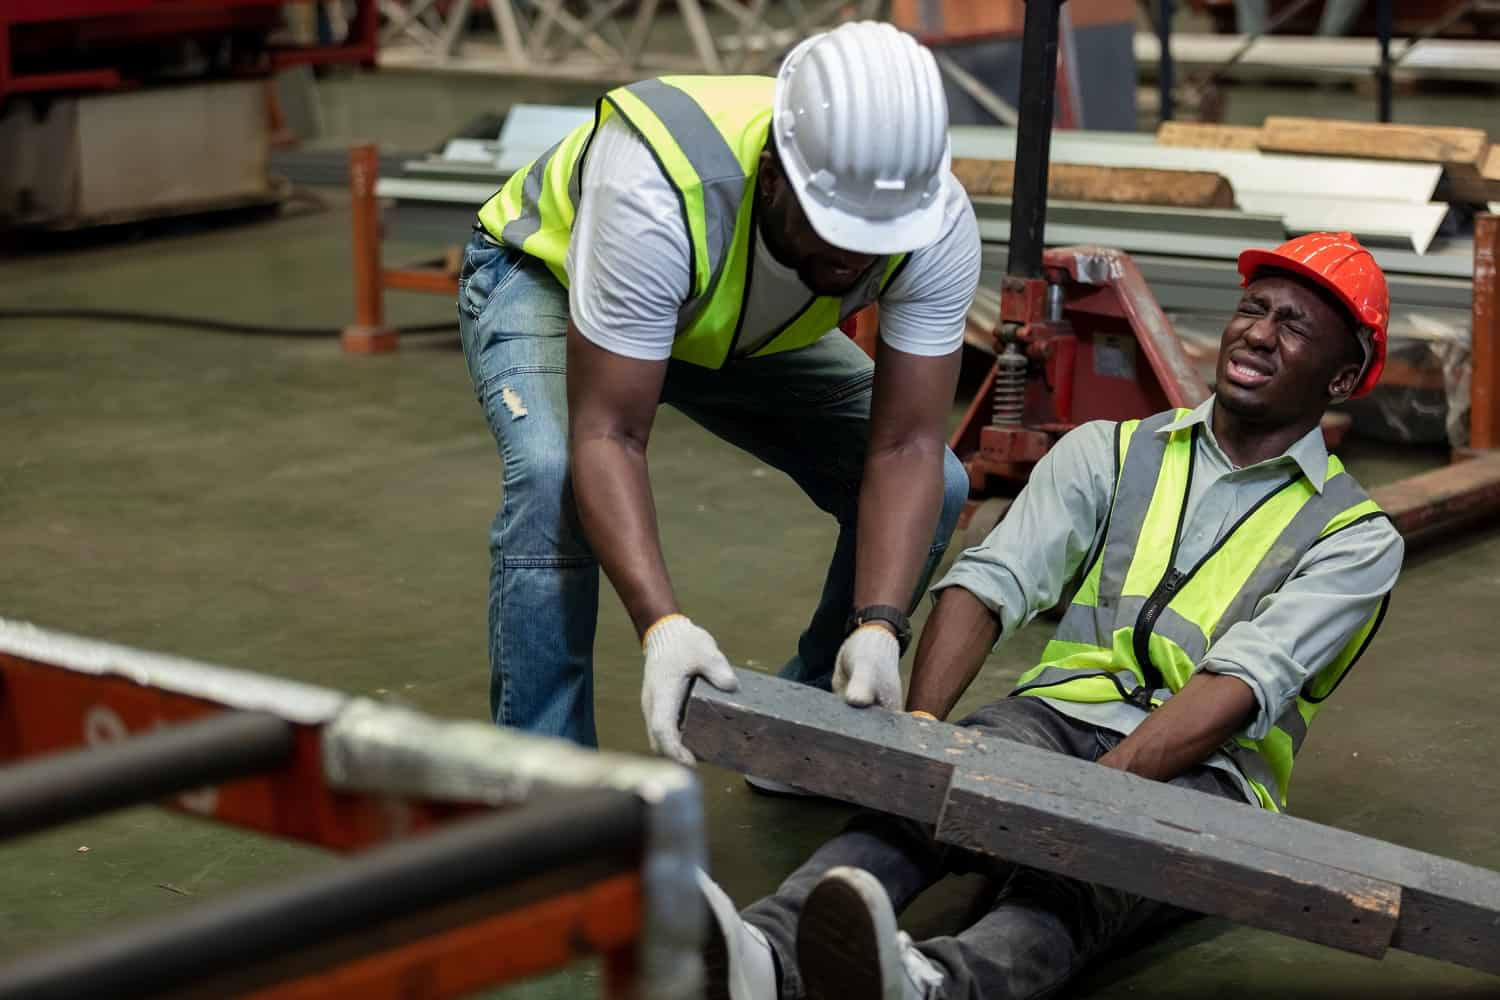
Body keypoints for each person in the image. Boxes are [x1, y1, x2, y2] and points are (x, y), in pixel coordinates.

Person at [695, 231, 1405, 999]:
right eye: (1252, 309)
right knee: (918, 805)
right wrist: (924, 739)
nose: (1259, 332)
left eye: (1294, 325)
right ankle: (769, 950)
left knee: (1081, 879)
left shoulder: (1356, 540)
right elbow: (991, 581)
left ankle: (937, 985)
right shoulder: (1111, 450)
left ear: (1341, 376)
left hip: (1210, 773)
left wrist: (1085, 804)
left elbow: (1243, 681)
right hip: (1054, 716)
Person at [456, 21, 979, 765]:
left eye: (878, 237)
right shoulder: (656, 185)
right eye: (835, 229)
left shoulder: (934, 222)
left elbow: (908, 443)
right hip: (555, 276)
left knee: (943, 484)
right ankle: (546, 781)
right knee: (553, 476)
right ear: (772, 175)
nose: (856, 256)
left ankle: (804, 732)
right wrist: (662, 626)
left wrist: (879, 623)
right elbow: (609, 432)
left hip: (728, 319)